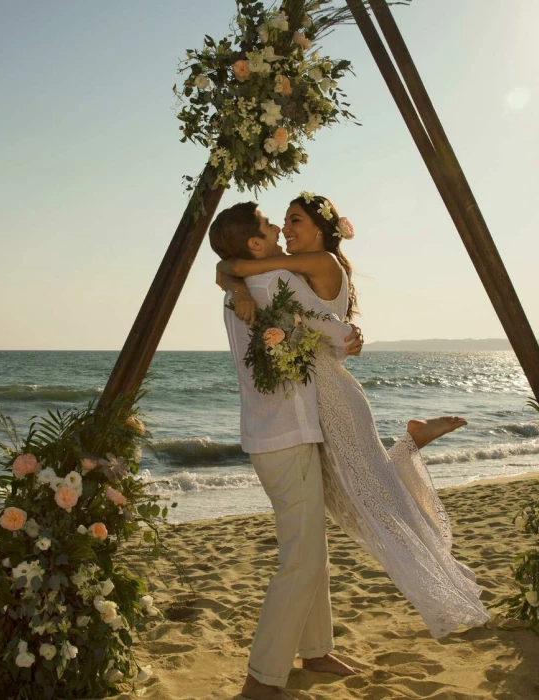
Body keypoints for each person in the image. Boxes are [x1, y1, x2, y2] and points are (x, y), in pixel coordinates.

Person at [216, 193, 491, 645]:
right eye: (280, 222)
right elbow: (249, 274)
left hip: (329, 397)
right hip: (315, 400)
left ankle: (410, 448)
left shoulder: (313, 262)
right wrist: (234, 278)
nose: (285, 230)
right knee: (362, 496)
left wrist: (232, 274)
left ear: (323, 230)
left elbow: (256, 277)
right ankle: (409, 446)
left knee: (374, 497)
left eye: (294, 220)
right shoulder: (290, 268)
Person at [209, 201, 362, 700]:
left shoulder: (245, 284)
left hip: (275, 433)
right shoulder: (272, 280)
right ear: (256, 244)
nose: (278, 226)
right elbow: (322, 325)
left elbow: (230, 272)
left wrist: (229, 275)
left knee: (309, 546)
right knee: (301, 557)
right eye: (270, 224)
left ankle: (316, 650)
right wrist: (348, 335)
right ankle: (263, 677)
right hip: (287, 433)